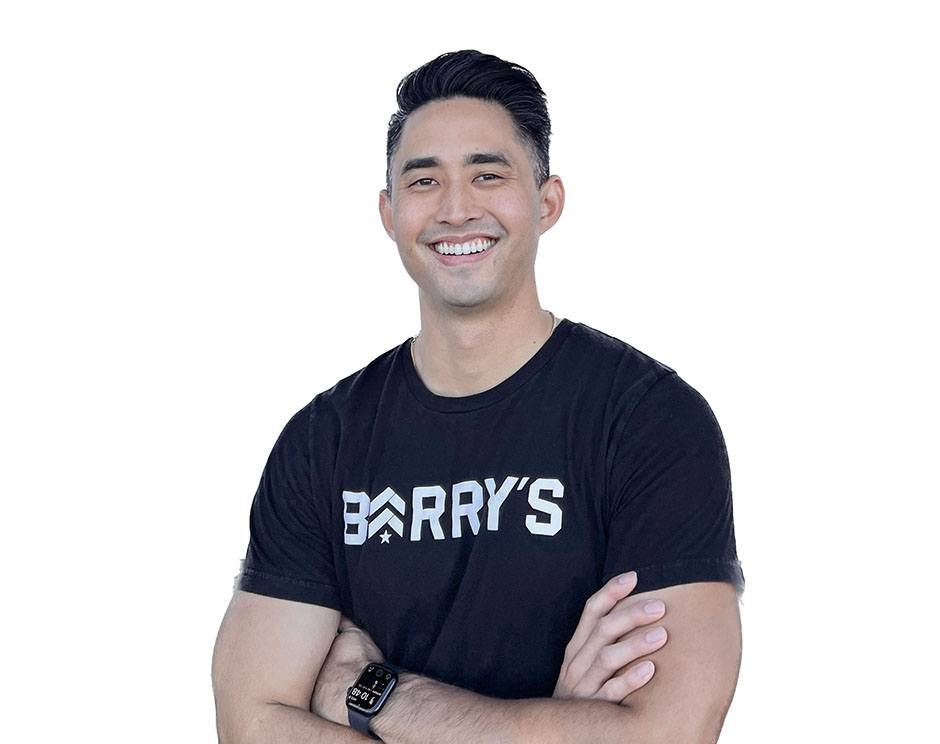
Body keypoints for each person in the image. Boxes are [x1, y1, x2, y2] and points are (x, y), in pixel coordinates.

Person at [212, 49, 745, 743]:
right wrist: (552, 729)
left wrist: (374, 696)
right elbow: (250, 726)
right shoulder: (324, 442)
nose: (457, 208)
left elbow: (667, 734)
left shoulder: (647, 420)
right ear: (389, 211)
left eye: (488, 175)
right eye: (424, 180)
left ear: (546, 201)